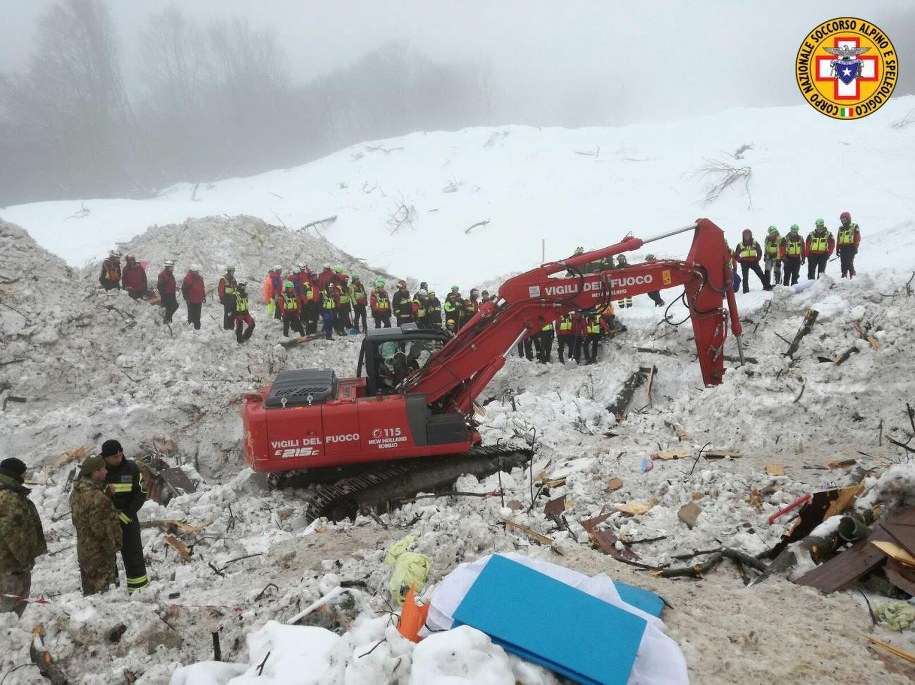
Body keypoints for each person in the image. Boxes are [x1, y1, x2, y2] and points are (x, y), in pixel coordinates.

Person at [0, 458, 47, 617]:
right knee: (10, 606)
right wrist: (26, 560)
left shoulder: (6, 493)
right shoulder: (9, 498)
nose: (25, 476)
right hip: (11, 564)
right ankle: (8, 635)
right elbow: (14, 535)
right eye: (23, 473)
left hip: (7, 561)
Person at [101, 440, 148, 594]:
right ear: (105, 458)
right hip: (105, 521)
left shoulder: (131, 468)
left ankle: (139, 592)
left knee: (134, 556)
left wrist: (127, 514)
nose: (119, 459)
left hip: (128, 519)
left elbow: (140, 493)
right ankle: (110, 593)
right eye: (114, 457)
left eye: (120, 455)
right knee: (105, 558)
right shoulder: (98, 470)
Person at [71, 455, 122, 596]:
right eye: (103, 469)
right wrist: (111, 551)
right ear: (94, 472)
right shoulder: (97, 498)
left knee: (90, 596)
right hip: (100, 556)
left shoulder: (77, 491)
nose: (106, 472)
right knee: (104, 596)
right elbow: (102, 532)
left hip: (86, 552)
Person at [836, 211, 861, 278]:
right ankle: (844, 274)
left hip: (851, 247)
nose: (843, 221)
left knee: (849, 262)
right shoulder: (840, 228)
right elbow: (838, 239)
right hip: (842, 247)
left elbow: (857, 237)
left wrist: (855, 247)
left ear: (848, 219)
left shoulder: (854, 226)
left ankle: (852, 274)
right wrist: (837, 249)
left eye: (844, 220)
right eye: (842, 220)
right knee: (843, 263)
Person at [181, 264, 206, 330]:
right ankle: (191, 329)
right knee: (191, 316)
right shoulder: (187, 279)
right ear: (191, 271)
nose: (197, 272)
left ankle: (197, 328)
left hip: (198, 300)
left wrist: (203, 296)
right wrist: (186, 299)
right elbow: (184, 289)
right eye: (195, 271)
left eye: (197, 271)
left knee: (198, 315)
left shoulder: (200, 278)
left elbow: (202, 288)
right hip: (191, 301)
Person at [217, 265, 238, 331]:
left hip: (233, 298)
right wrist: (222, 299)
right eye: (232, 271)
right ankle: (226, 327)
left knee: (233, 313)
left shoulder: (233, 279)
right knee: (227, 313)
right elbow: (220, 290)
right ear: (228, 271)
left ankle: (231, 327)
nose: (233, 273)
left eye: (233, 271)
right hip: (226, 298)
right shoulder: (223, 279)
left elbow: (235, 288)